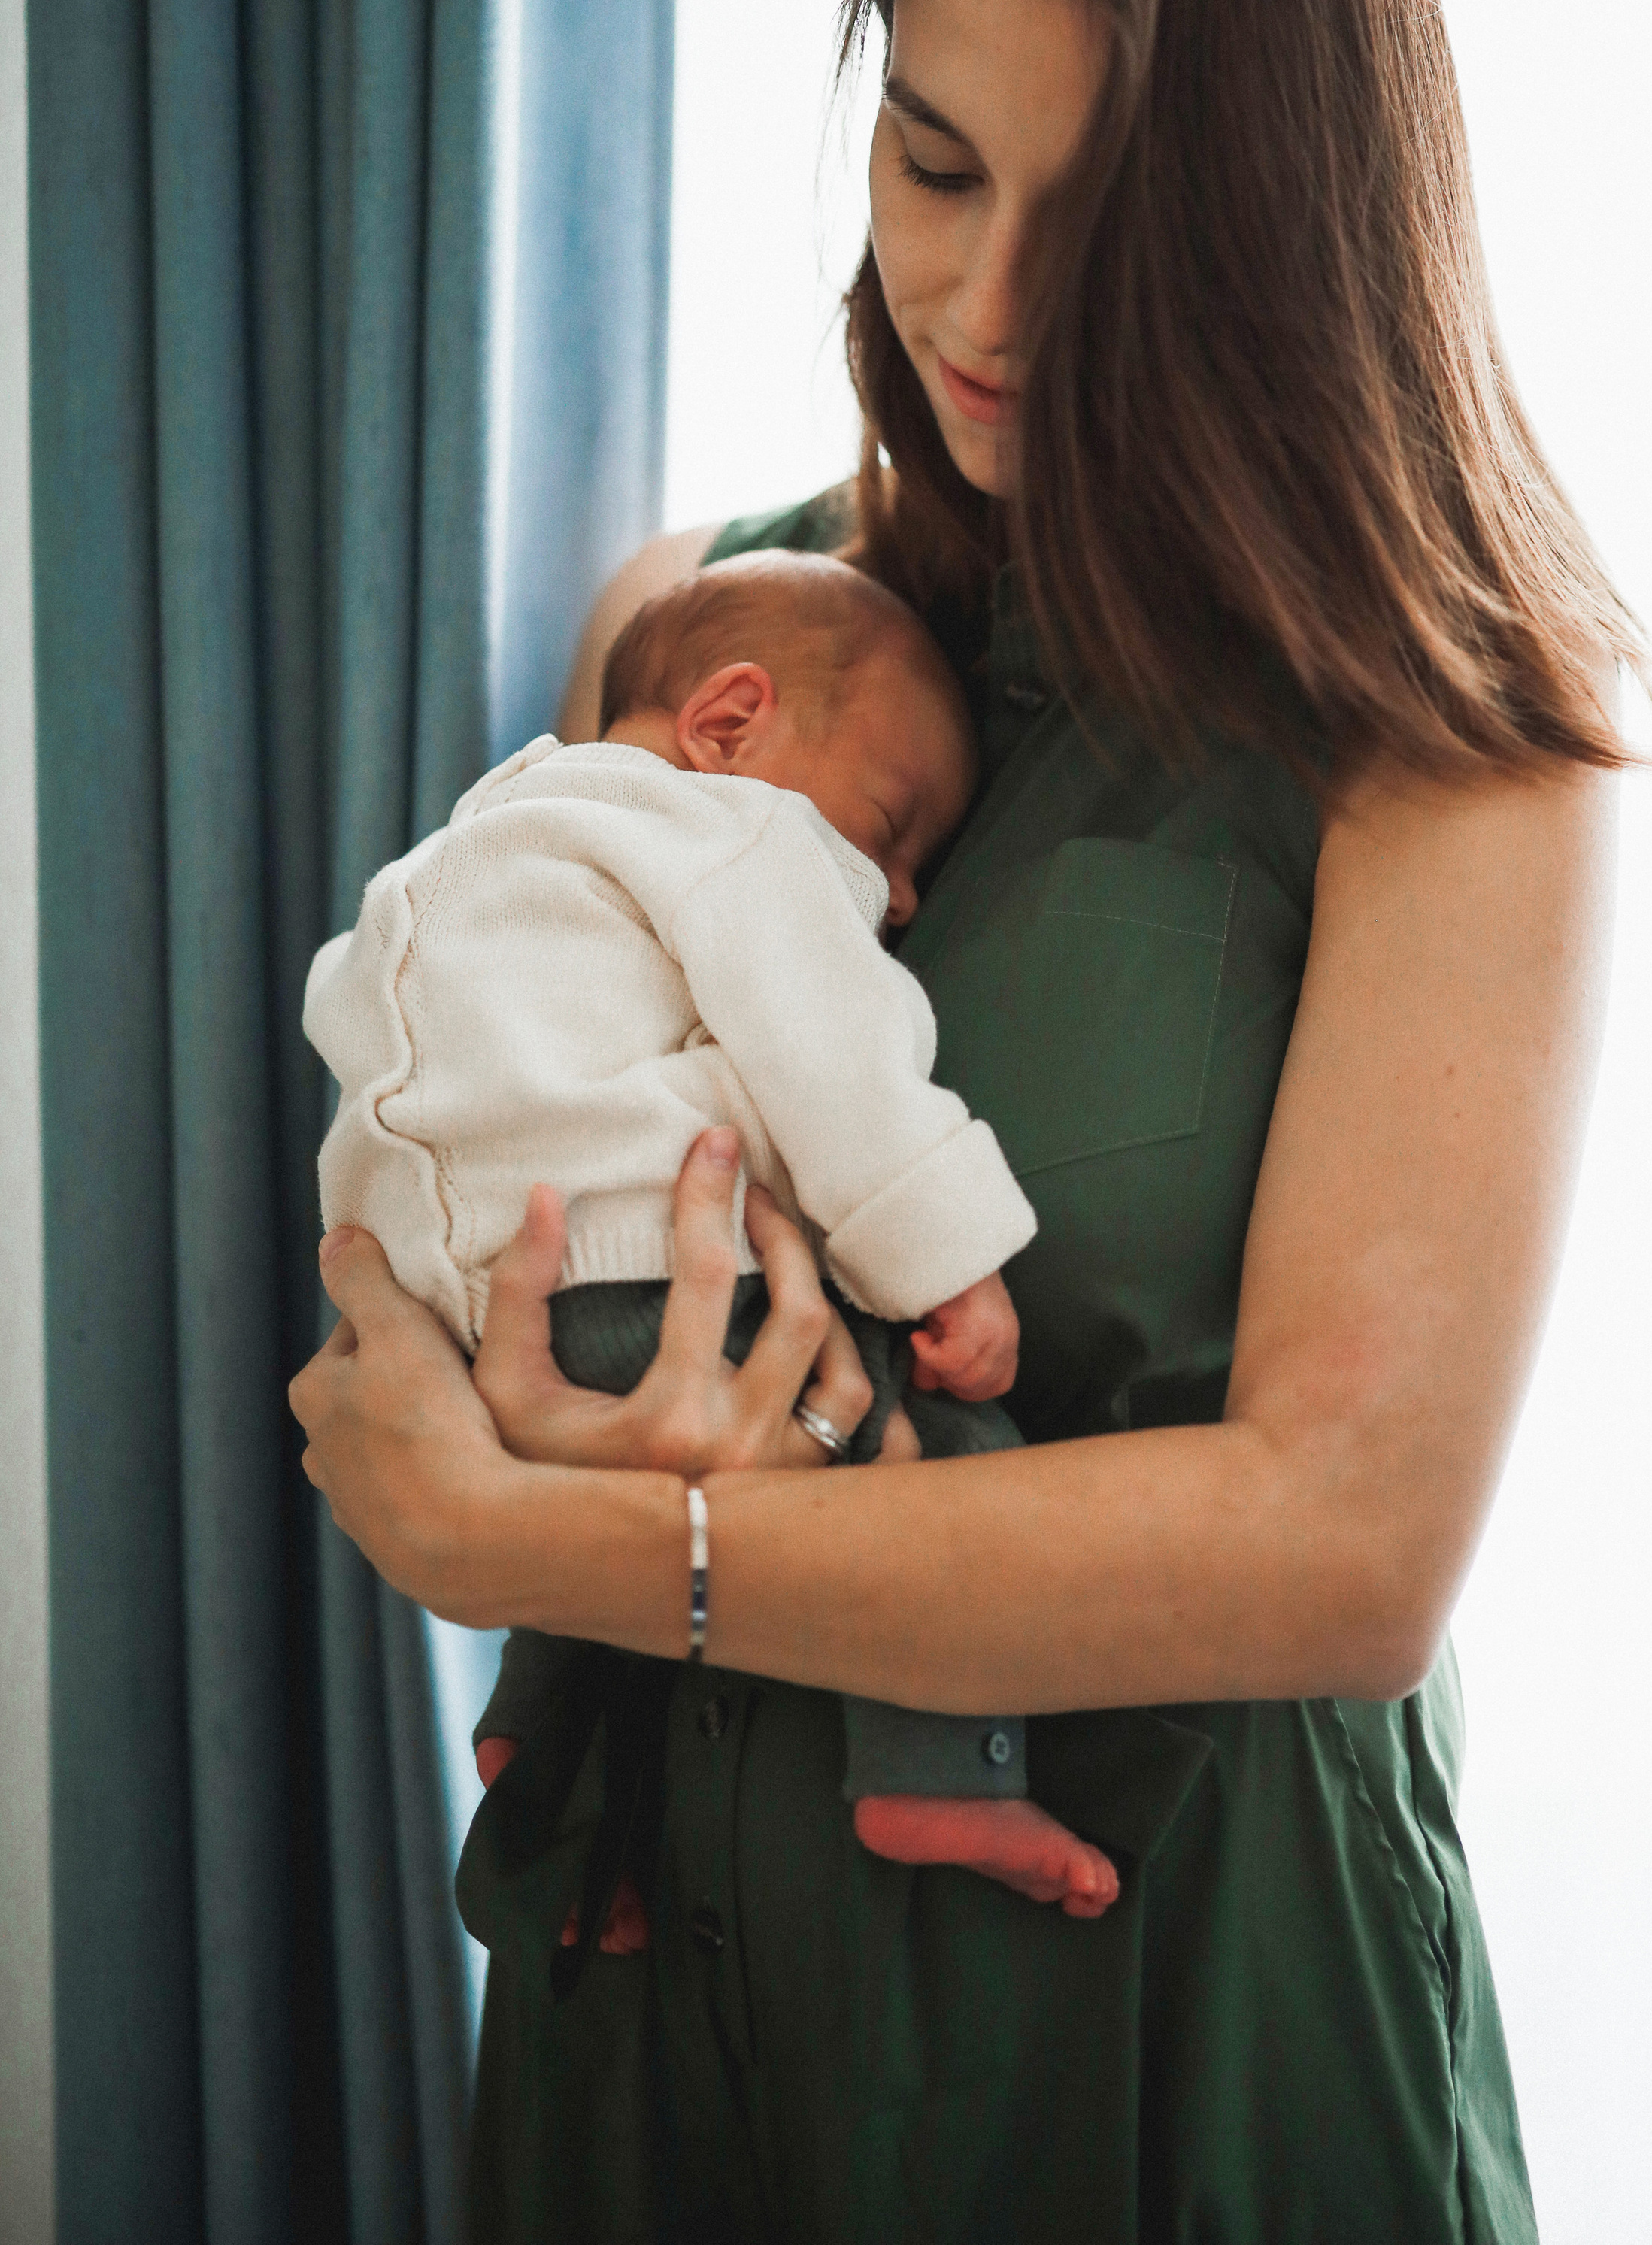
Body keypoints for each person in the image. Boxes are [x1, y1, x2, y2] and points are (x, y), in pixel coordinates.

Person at [292, 0, 1641, 2245]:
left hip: (1170, 2020)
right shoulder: (721, 633)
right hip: (663, 1986)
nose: (983, 301)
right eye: (930, 165)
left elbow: (1346, 1558)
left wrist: (553, 1548)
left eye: (1098, 218)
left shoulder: (1456, 746)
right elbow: (481, 1144)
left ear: (1277, 236)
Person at [301, 549, 1117, 1952]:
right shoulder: (727, 832)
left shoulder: (472, 849)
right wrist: (949, 1265)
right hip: (636, 1267)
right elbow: (836, 1057)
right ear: (729, 724)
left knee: (594, 1533)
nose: (904, 894)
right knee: (950, 1456)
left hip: (476, 1321)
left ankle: (537, 1754)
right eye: (891, 826)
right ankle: (940, 1777)